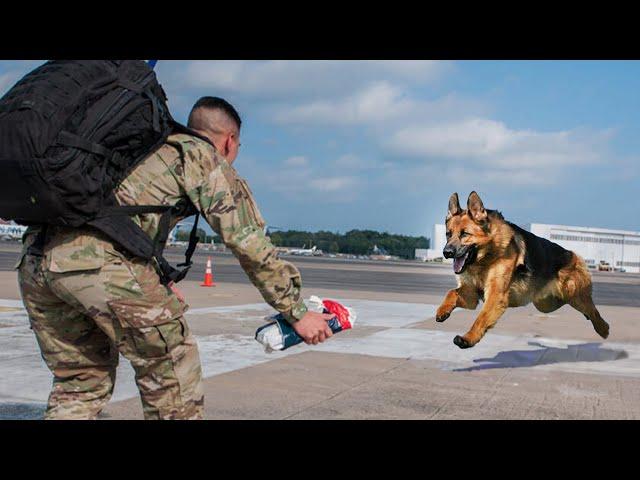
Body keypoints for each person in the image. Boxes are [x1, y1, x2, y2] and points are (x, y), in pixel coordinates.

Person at [16, 96, 334, 420]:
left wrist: (157, 280)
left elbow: (126, 220)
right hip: (99, 262)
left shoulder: (141, 149)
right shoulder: (199, 155)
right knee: (172, 367)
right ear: (229, 141)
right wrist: (296, 312)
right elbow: (248, 242)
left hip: (36, 261)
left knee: (81, 382)